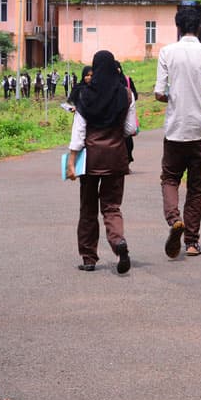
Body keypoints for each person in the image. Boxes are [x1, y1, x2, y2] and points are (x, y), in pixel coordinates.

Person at [154, 7, 201, 258]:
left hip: (175, 129)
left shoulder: (166, 52)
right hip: (200, 129)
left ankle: (175, 219)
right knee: (195, 188)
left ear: (178, 28)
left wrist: (175, 96)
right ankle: (192, 242)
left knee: (170, 179)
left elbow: (159, 93)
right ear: (198, 28)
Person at [67, 50, 138, 274]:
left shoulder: (84, 95)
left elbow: (78, 134)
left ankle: (89, 258)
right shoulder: (126, 95)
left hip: (90, 160)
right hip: (116, 158)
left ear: (95, 69)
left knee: (88, 208)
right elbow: (129, 129)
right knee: (112, 207)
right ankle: (118, 243)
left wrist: (71, 161)